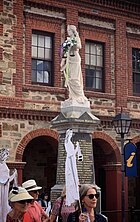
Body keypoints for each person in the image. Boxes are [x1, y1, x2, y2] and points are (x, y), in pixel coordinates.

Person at [60, 25, 88, 104]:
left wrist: (73, 44)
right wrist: (62, 61)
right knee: (69, 78)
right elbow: (64, 52)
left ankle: (80, 95)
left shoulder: (76, 39)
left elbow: (79, 46)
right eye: (67, 30)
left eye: (69, 30)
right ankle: (72, 95)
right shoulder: (67, 41)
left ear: (72, 31)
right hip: (69, 60)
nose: (68, 32)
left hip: (75, 59)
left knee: (74, 78)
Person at [64, 128, 83, 206]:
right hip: (70, 161)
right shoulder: (68, 142)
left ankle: (75, 195)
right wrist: (76, 148)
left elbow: (73, 153)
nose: (72, 135)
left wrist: (77, 148)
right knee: (71, 176)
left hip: (73, 160)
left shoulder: (70, 143)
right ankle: (73, 196)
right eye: (71, 133)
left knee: (74, 176)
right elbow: (71, 153)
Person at [0, 148, 18, 222]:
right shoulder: (1, 165)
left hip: (4, 188)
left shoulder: (3, 165)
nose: (7, 156)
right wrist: (13, 175)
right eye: (6, 154)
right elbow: (3, 181)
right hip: (2, 189)